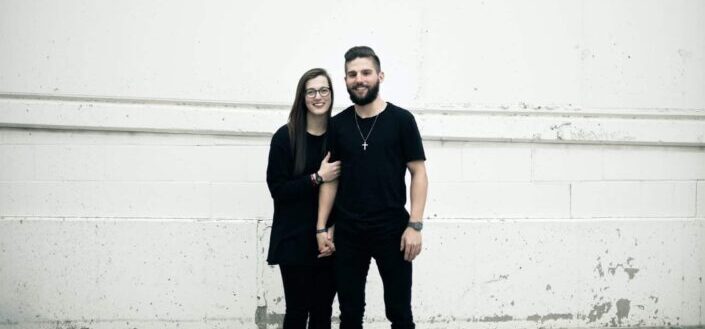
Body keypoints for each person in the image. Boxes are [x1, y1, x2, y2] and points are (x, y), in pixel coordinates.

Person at [316, 46, 428, 329]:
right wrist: (322, 227)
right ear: (345, 81)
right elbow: (332, 179)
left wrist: (414, 225)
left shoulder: (402, 121)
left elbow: (419, 172)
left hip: (393, 228)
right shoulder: (338, 125)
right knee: (350, 314)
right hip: (348, 230)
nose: (359, 79)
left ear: (380, 75)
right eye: (352, 74)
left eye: (366, 72)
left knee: (400, 313)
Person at [266, 68, 341, 329]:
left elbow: (351, 189)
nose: (318, 96)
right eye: (311, 91)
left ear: (331, 94)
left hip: (329, 241)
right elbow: (278, 190)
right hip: (294, 239)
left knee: (322, 312)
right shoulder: (285, 137)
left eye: (323, 90)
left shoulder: (339, 135)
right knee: (297, 312)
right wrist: (316, 177)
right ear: (302, 97)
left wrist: (333, 229)